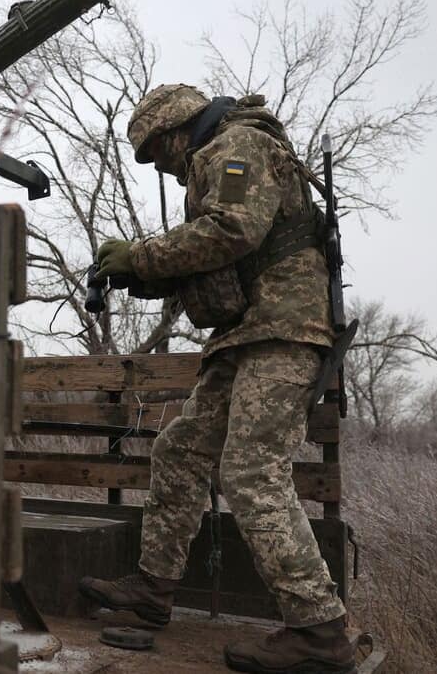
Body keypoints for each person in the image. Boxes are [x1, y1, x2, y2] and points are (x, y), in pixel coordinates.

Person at [78, 84, 354, 674]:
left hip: (282, 329)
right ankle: (152, 593)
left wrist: (141, 256)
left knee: (253, 469)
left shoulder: (238, 147)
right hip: (242, 335)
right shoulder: (220, 157)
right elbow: (221, 260)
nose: (165, 169)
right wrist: (138, 275)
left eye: (158, 154)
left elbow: (234, 230)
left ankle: (319, 630)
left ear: (176, 132)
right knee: (181, 448)